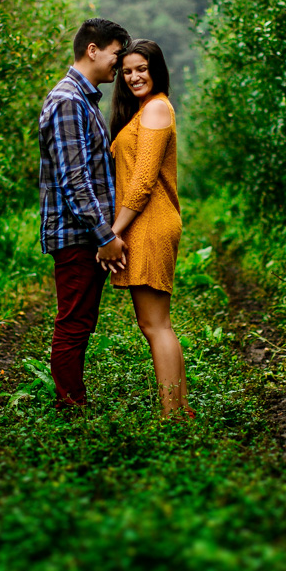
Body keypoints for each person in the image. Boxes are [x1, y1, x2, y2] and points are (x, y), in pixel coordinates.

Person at [38, 18, 130, 411]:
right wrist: (105, 236)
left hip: (84, 234)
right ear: (93, 50)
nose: (119, 64)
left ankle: (72, 403)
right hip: (78, 235)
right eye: (116, 54)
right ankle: (70, 407)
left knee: (80, 322)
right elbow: (74, 179)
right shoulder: (68, 101)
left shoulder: (82, 100)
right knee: (73, 323)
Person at [106, 39, 194, 419]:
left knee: (155, 325)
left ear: (156, 69)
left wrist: (112, 233)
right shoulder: (144, 109)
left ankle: (172, 414)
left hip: (150, 222)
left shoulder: (156, 108)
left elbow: (142, 182)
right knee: (155, 324)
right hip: (146, 222)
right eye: (127, 71)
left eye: (141, 69)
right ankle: (179, 409)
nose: (133, 77)